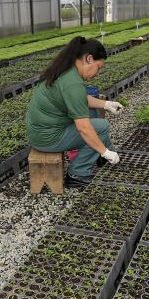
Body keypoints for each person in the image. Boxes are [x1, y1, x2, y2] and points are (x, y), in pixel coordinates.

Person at [25, 37, 125, 187]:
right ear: (89, 59)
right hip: (48, 138)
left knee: (93, 114)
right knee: (101, 127)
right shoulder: (72, 83)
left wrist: (105, 104)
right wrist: (105, 151)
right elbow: (84, 128)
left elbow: (79, 99)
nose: (97, 73)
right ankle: (77, 173)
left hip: (40, 132)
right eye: (99, 67)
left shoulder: (67, 70)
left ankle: (101, 155)